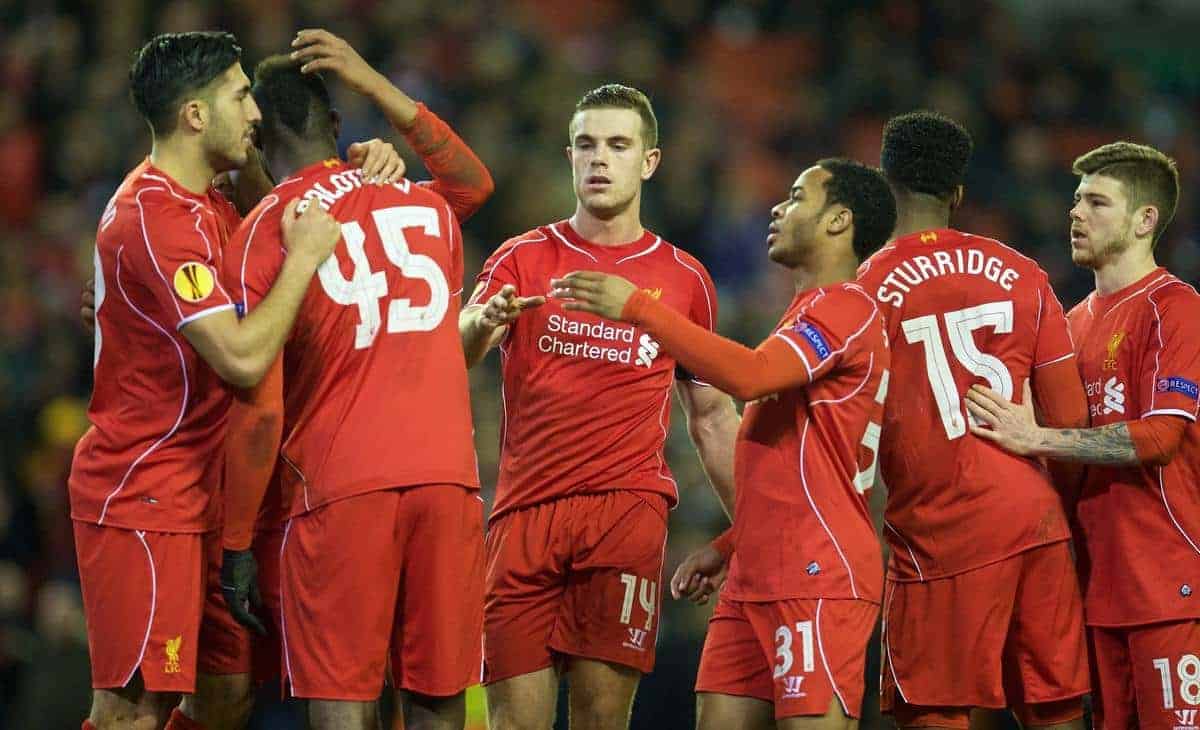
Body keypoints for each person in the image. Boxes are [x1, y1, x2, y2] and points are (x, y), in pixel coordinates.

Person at [73, 31, 406, 730]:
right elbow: (245, 359)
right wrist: (305, 258)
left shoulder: (217, 197)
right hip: (148, 494)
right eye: (239, 93)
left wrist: (371, 163)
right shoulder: (155, 218)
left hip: (218, 499)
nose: (255, 110)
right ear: (196, 116)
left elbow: (297, 190)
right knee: (133, 709)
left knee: (224, 697)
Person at [551, 157, 895, 729]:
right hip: (756, 573)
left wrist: (640, 308)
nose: (778, 209)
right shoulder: (802, 315)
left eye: (795, 197)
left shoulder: (848, 307)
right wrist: (732, 545)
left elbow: (751, 377)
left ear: (839, 221)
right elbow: (796, 467)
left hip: (817, 572)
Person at [215, 29, 492, 730]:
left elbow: (259, 406)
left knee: (343, 702)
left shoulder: (263, 229)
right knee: (439, 702)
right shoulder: (424, 205)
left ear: (253, 141)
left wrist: (238, 539)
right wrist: (376, 84)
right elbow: (473, 183)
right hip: (448, 480)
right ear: (336, 125)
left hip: (340, 491)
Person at [458, 83, 741, 729]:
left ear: (649, 161)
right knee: (512, 722)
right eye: (587, 144)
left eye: (618, 145)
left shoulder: (683, 278)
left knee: (600, 719)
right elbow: (457, 349)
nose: (600, 159)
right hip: (523, 515)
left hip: (624, 515)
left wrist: (747, 531)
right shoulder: (521, 257)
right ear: (569, 156)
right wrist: (482, 322)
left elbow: (711, 415)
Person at [843, 110, 1091, 730]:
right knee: (1053, 707)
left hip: (939, 533)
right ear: (958, 194)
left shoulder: (863, 289)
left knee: (935, 712)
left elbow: (847, 440)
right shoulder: (1025, 274)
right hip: (1036, 524)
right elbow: (1070, 420)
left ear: (883, 181)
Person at [965, 141, 1199, 730]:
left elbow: (1159, 438)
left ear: (1145, 219)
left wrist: (1035, 437)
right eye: (1075, 201)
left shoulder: (1175, 308)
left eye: (1097, 202)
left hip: (1170, 584)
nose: (1076, 213)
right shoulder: (1069, 323)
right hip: (1097, 591)